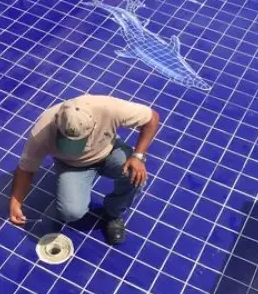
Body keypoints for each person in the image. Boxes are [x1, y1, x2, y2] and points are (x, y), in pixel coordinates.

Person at [8, 94, 160, 245]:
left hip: (109, 152)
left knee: (136, 177)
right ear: (57, 122)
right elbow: (26, 170)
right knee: (71, 212)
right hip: (72, 166)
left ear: (93, 125)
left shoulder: (109, 108)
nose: (74, 148)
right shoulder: (42, 131)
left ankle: (113, 214)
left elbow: (152, 118)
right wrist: (15, 204)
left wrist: (138, 156)